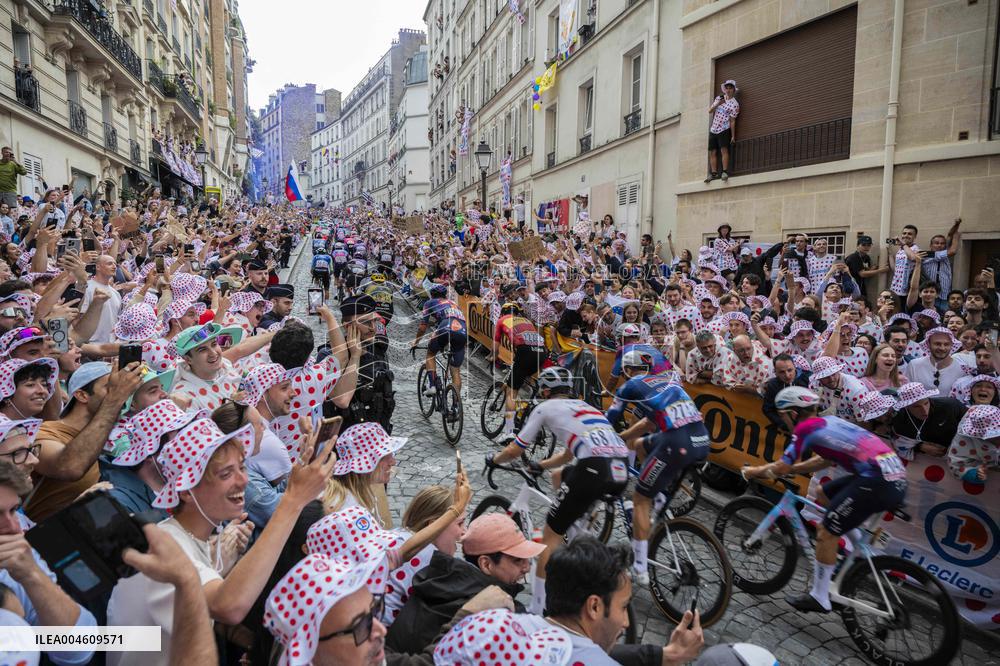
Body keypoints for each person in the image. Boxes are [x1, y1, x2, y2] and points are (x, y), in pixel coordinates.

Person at [107, 417, 335, 666]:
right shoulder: (166, 544)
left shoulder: (196, 539)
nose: (243, 480)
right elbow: (228, 606)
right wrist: (293, 500)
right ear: (186, 491)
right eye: (226, 473)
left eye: (242, 467)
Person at [744, 387, 907, 613]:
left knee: (826, 531)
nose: (783, 421)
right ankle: (855, 549)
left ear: (793, 413)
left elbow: (780, 467)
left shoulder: (804, 428)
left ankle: (819, 597)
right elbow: (824, 460)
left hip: (877, 481)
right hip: (891, 477)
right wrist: (794, 469)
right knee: (823, 493)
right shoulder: (829, 421)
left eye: (783, 415)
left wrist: (752, 471)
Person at [489, 366, 630, 613]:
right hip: (621, 468)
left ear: (545, 391)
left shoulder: (544, 407)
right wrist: (540, 465)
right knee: (559, 476)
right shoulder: (586, 407)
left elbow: (515, 449)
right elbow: (567, 456)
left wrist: (494, 460)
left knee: (549, 537)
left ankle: (537, 607)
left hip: (594, 468)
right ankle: (577, 535)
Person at [606, 356, 711, 585]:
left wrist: (604, 438)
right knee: (640, 444)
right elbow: (648, 424)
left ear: (626, 371)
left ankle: (639, 567)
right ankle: (660, 493)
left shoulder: (630, 386)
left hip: (676, 443)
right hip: (702, 441)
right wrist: (622, 438)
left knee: (640, 499)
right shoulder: (667, 381)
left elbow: (609, 419)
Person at [386, 512, 545, 654]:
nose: (527, 567)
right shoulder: (498, 613)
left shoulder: (439, 576)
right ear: (486, 564)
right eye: (517, 560)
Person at [0, 459, 98, 666]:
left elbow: (78, 650)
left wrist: (32, 575)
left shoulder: (18, 558)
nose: (13, 527)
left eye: (13, 510)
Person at [24, 361, 143, 522]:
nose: (123, 394)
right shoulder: (45, 433)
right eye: (110, 387)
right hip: (43, 535)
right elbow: (70, 467)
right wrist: (115, 398)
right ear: (82, 395)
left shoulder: (104, 437)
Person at [411, 285, 467, 421]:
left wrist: (416, 342)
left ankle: (432, 386)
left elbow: (423, 327)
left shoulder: (430, 302)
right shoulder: (454, 304)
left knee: (430, 354)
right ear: (445, 295)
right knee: (456, 371)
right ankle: (455, 407)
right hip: (462, 332)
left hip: (445, 328)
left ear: (432, 295)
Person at [493, 301, 548, 433]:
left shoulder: (501, 320)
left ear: (503, 313)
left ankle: (509, 431)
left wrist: (492, 358)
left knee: (511, 393)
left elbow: (495, 347)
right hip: (542, 351)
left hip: (525, 351)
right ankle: (528, 407)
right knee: (526, 379)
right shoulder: (526, 320)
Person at [891, 382, 966, 459]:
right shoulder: (900, 419)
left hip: (959, 453)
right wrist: (920, 447)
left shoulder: (950, 406)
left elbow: (970, 425)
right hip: (925, 460)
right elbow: (899, 443)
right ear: (906, 407)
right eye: (917, 407)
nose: (924, 410)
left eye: (926, 403)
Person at [761, 353, 811, 430]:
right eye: (782, 372)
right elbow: (768, 409)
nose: (787, 375)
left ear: (795, 367)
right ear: (775, 372)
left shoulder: (808, 379)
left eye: (790, 370)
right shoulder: (773, 385)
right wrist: (785, 425)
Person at [705, 80, 739, 182]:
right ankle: (714, 173)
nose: (728, 90)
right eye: (727, 88)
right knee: (712, 151)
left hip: (724, 129)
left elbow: (732, 121)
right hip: (713, 129)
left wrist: (733, 136)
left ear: (734, 90)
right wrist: (718, 103)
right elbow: (710, 111)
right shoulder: (719, 98)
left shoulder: (735, 104)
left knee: (724, 150)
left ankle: (724, 172)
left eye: (730, 88)